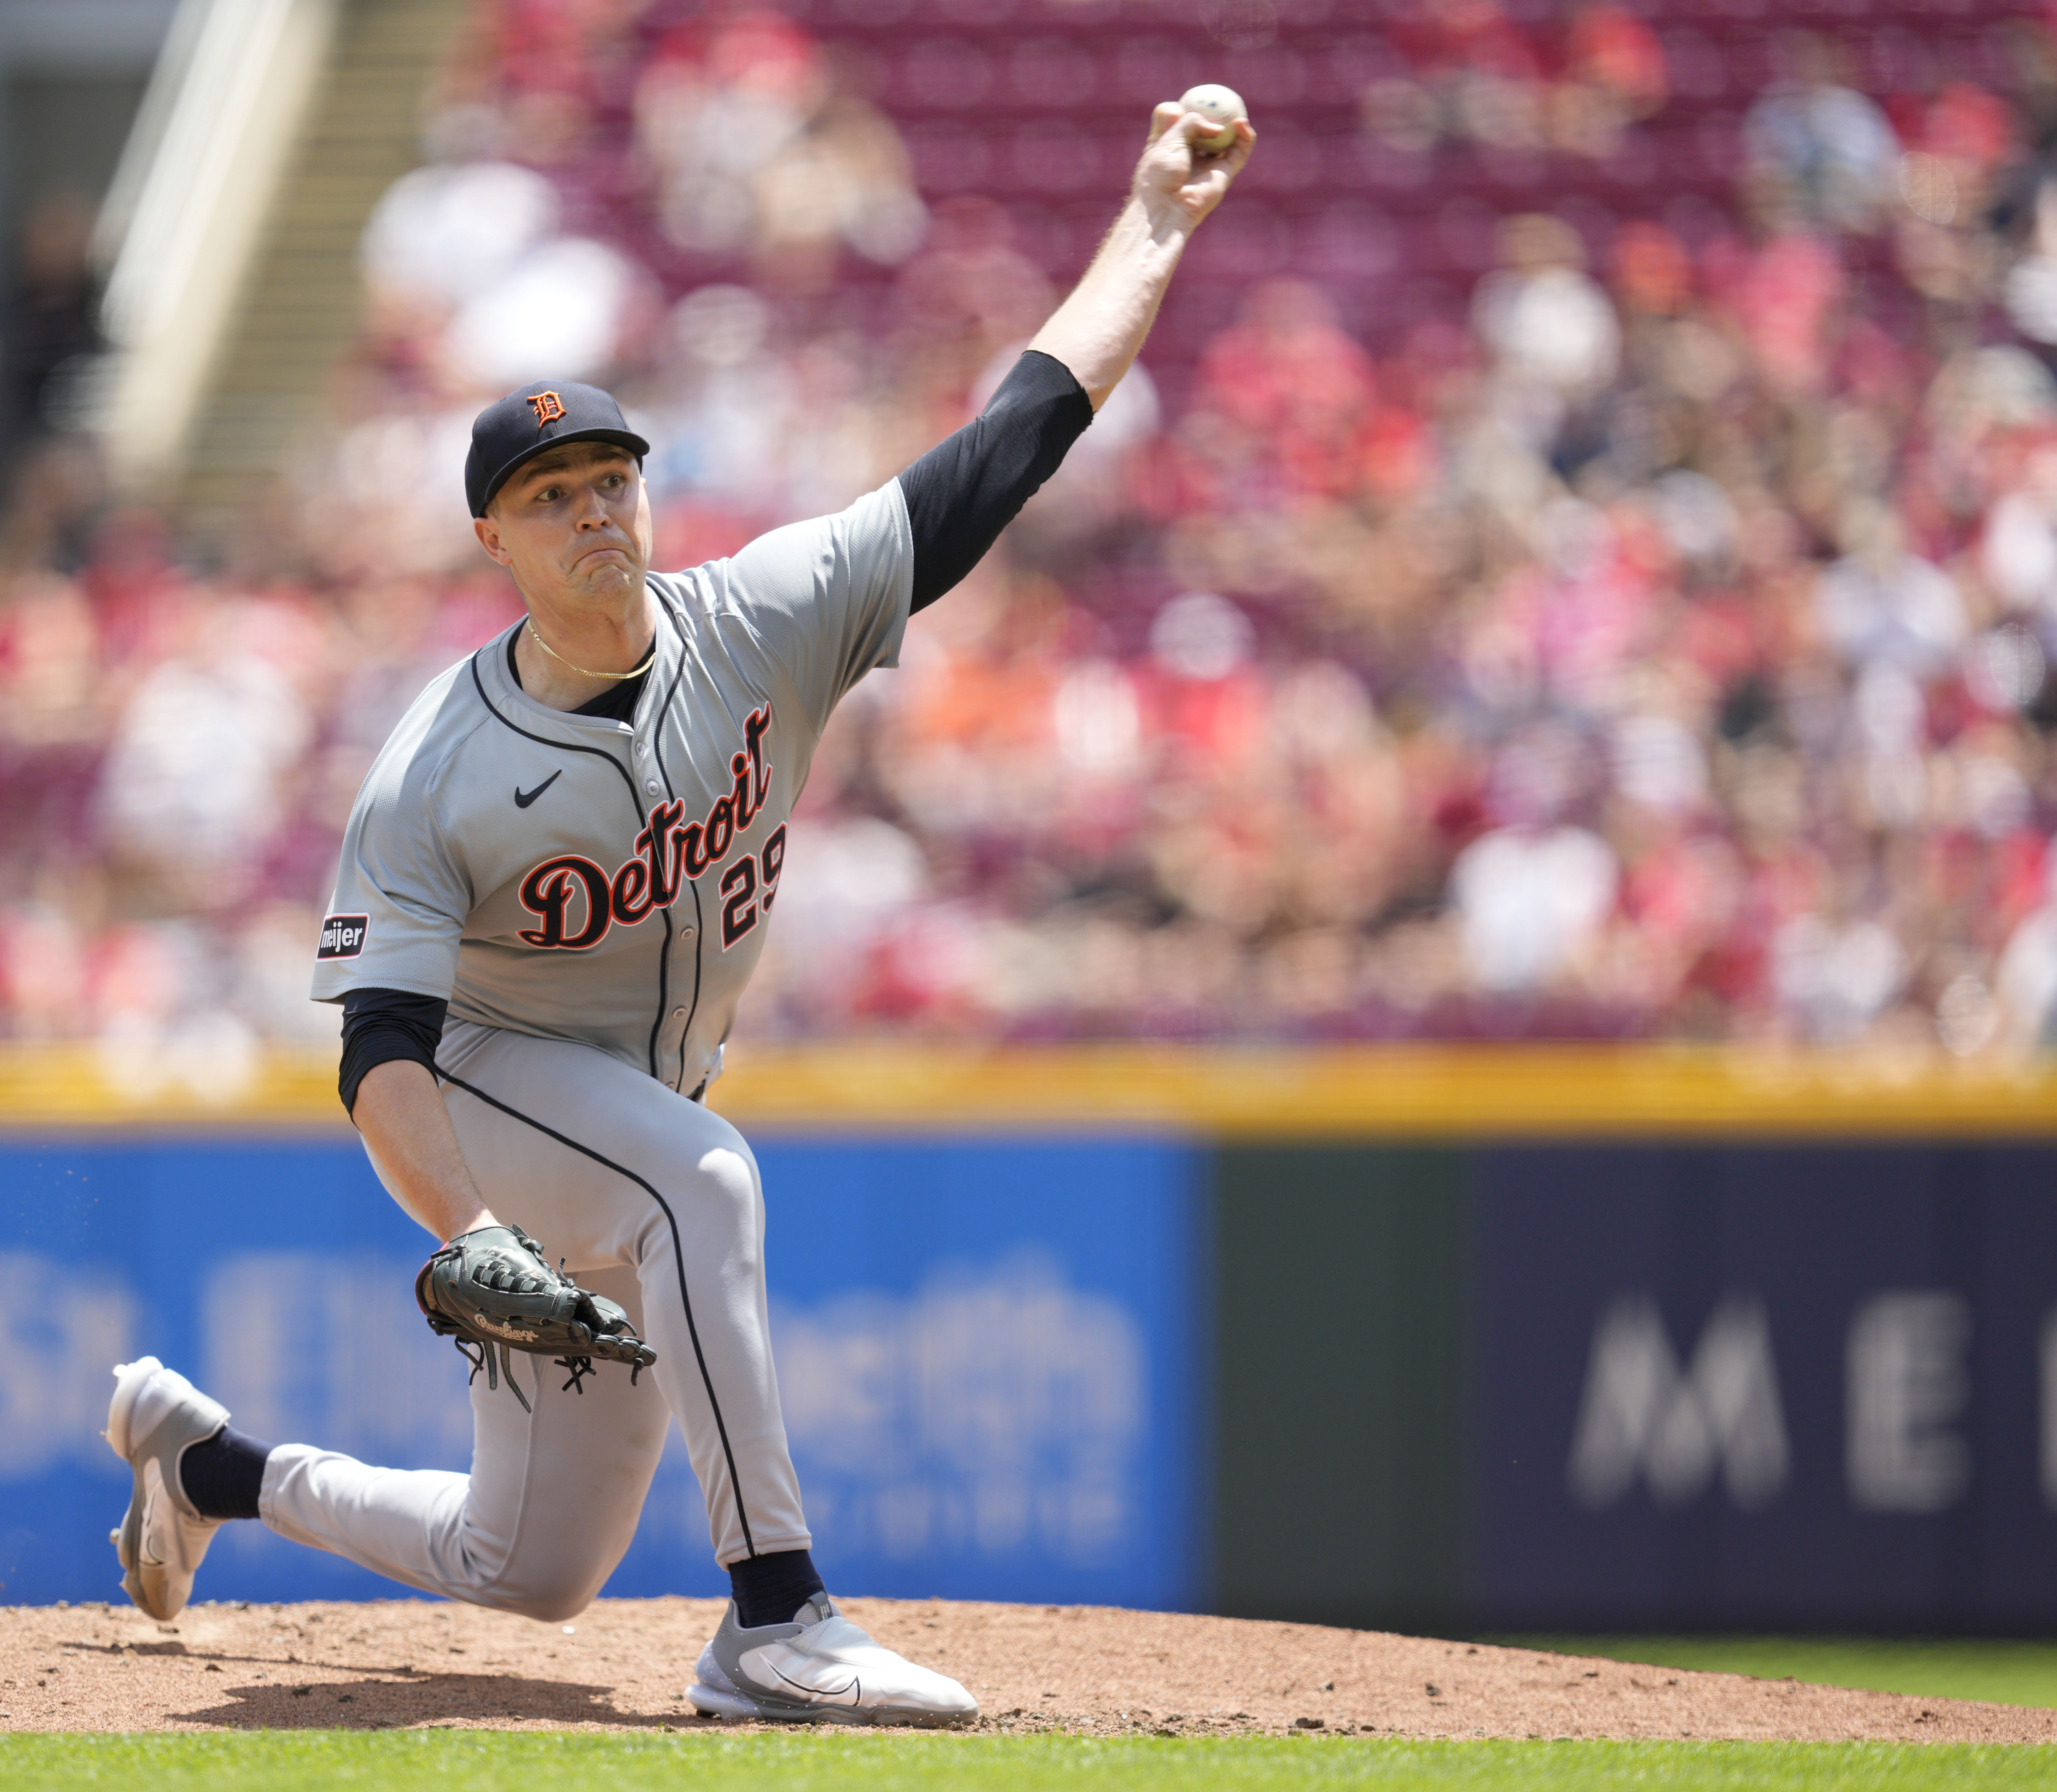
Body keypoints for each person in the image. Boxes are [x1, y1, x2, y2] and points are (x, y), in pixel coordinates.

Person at [103, 94, 1254, 1724]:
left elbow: (1022, 428)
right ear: (493, 536)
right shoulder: (435, 767)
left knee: (530, 1563)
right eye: (554, 493)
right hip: (494, 1092)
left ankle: (203, 1462)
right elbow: (379, 1052)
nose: (595, 512)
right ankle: (776, 1620)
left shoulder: (764, 616)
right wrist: (473, 1233)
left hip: (623, 1115)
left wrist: (1155, 220)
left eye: (613, 480)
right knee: (701, 1181)